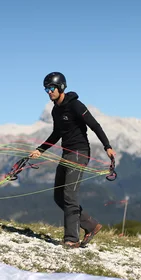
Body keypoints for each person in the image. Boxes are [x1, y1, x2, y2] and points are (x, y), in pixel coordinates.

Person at [29, 72, 116, 248]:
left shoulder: (75, 105)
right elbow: (56, 134)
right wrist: (40, 150)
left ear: (60, 87)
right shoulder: (55, 110)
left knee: (69, 195)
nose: (49, 92)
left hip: (80, 153)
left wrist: (107, 146)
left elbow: (95, 125)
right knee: (59, 196)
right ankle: (91, 225)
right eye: (46, 89)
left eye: (51, 88)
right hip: (67, 154)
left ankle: (72, 239)